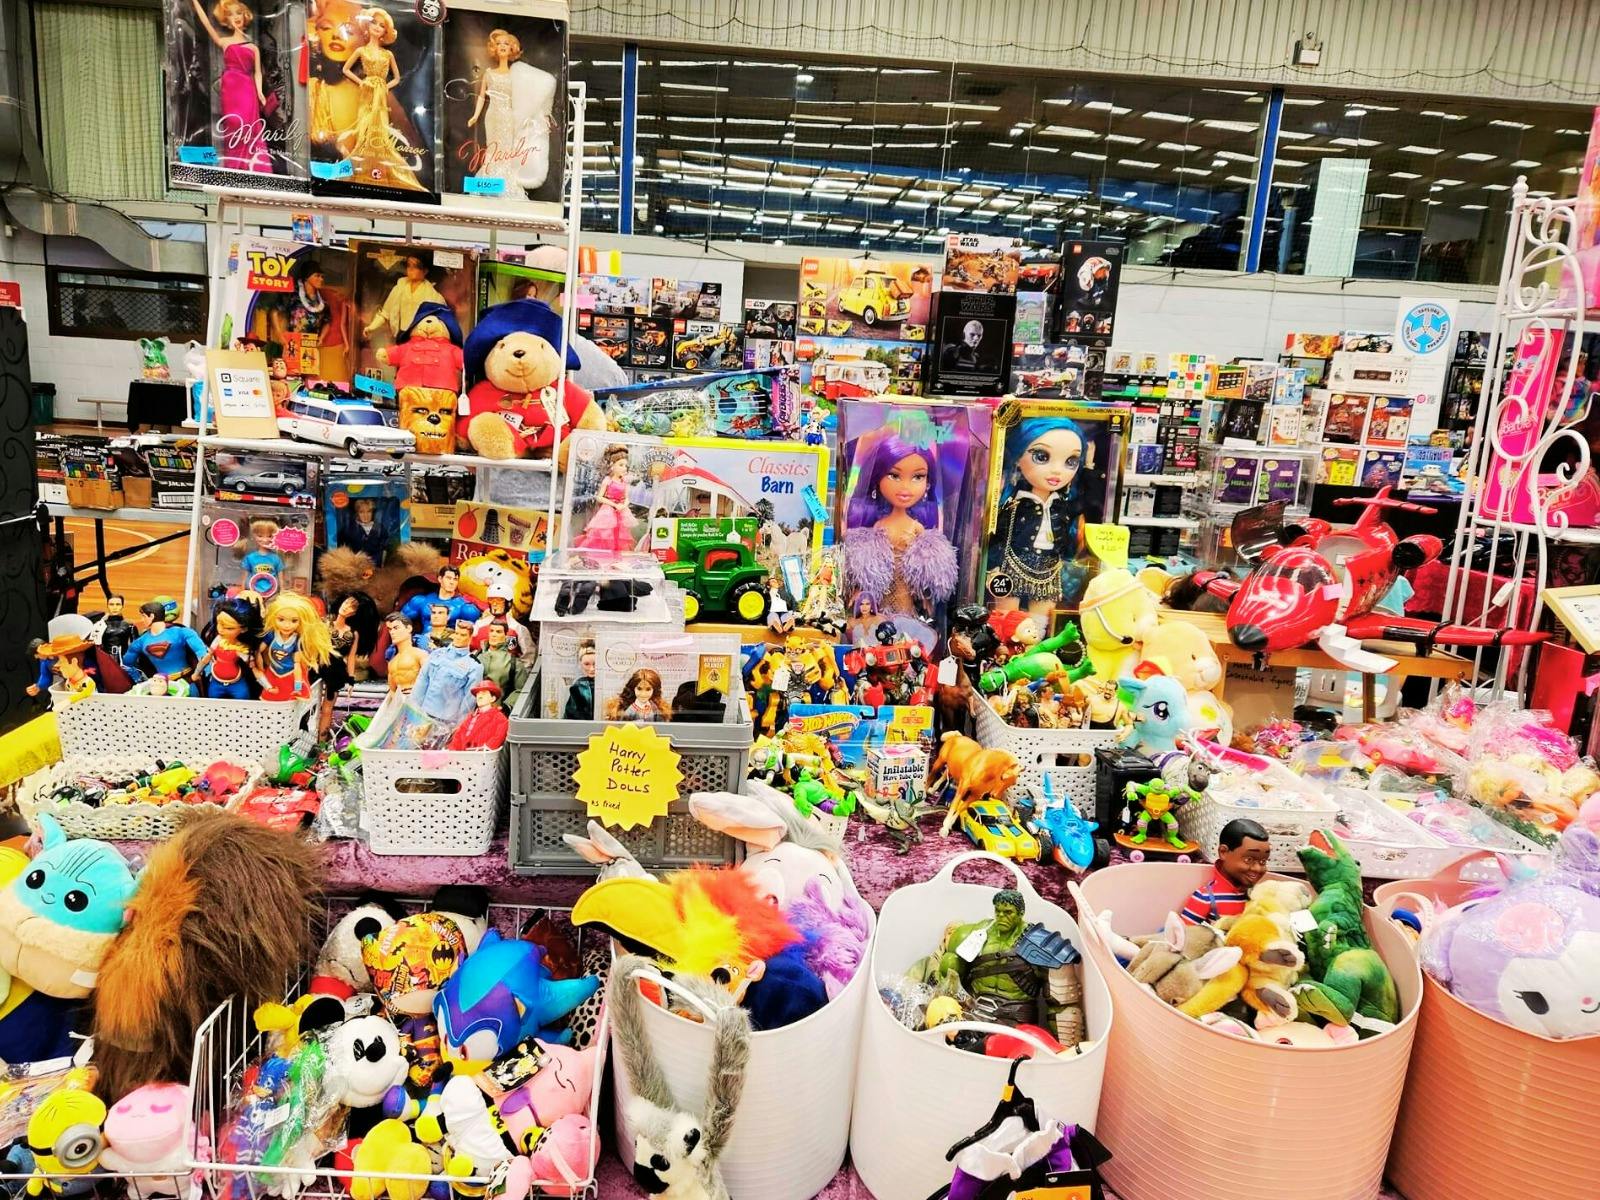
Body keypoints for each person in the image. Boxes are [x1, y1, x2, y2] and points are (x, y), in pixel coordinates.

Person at [1180, 819, 1270, 926]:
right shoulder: (1206, 897)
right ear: (1223, 852)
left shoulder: (1258, 896)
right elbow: (1185, 935)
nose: (1257, 868)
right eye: (1249, 859)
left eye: (1263, 861)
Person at [124, 602, 208, 682]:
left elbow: (201, 652)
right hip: (160, 684)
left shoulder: (182, 632)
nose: (142, 620)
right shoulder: (140, 641)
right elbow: (127, 664)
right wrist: (139, 680)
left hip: (187, 680)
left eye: (144, 616)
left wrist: (200, 671)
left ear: (152, 616)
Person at [401, 565, 482, 630]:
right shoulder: (422, 600)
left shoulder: (464, 607)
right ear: (440, 579)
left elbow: (472, 634)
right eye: (448, 578)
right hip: (421, 642)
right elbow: (399, 621)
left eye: (455, 579)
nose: (452, 582)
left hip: (447, 647)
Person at [447, 680, 510, 751]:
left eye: (484, 693)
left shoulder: (500, 719)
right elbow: (458, 736)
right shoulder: (470, 718)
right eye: (478, 694)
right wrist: (453, 751)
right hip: (462, 757)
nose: (479, 696)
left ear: (493, 698)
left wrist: (481, 750)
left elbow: (497, 739)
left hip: (481, 757)